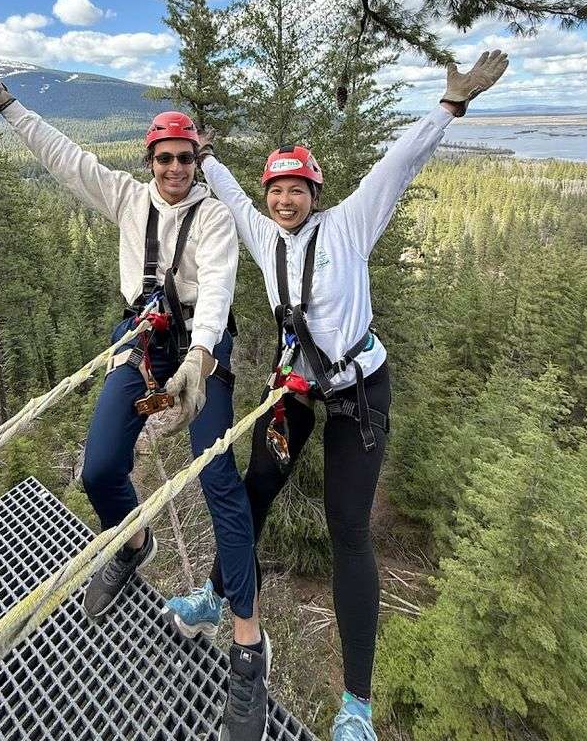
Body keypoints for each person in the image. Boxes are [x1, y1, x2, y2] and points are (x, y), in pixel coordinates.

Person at [164, 51, 510, 741]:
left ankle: (357, 706)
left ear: (315, 193)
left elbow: (397, 166)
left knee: (348, 530)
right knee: (256, 489)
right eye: (276, 190)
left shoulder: (350, 226)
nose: (284, 200)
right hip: (297, 385)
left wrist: (450, 106)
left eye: (296, 189)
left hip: (358, 393)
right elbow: (228, 191)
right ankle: (216, 594)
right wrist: (204, 157)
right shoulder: (263, 235)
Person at [0, 41, 271, 741]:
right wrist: (4, 100)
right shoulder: (127, 199)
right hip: (140, 337)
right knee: (100, 468)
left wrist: (201, 356)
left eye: (185, 158)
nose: (174, 169)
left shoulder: (215, 217)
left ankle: (248, 644)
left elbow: (218, 288)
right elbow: (62, 156)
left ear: (197, 161)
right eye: (164, 158)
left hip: (199, 346)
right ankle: (131, 543)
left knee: (217, 478)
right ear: (149, 160)